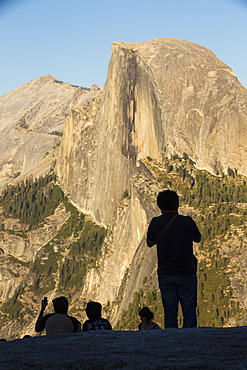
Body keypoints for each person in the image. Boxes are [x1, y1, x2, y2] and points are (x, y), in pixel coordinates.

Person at [147, 190, 201, 329]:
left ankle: (171, 344)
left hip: (166, 272)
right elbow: (198, 238)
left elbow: (150, 242)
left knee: (170, 312)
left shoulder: (156, 223)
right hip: (186, 271)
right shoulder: (187, 222)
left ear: (160, 207)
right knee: (189, 311)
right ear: (177, 204)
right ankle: (190, 341)